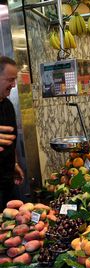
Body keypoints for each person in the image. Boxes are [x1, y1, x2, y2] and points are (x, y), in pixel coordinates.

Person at [0, 56, 24, 210]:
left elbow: (11, 140)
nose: (14, 85)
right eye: (10, 80)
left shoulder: (7, 104)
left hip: (7, 181)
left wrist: (14, 163)